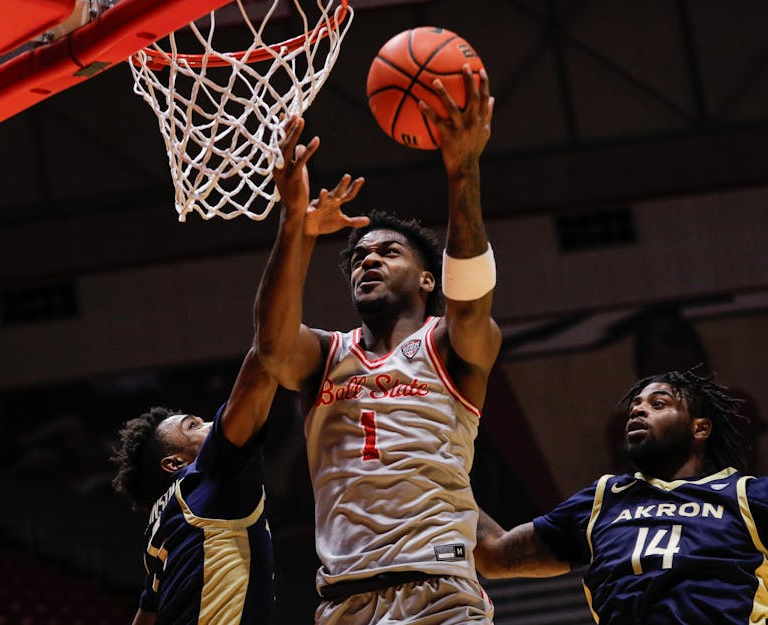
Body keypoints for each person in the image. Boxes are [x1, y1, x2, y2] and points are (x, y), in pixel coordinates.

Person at [254, 65, 500, 624]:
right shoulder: (325, 356)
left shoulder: (450, 345)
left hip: (439, 590)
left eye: (389, 252)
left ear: (427, 279)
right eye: (361, 255)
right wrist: (294, 220)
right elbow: (270, 346)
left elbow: (472, 299)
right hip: (345, 602)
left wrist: (463, 171)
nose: (369, 258)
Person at [475, 369, 768, 624]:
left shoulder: (749, 495)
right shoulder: (602, 499)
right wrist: (439, 474)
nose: (638, 411)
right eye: (635, 406)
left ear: (699, 429)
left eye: (658, 403)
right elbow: (494, 555)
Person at [110, 347, 278, 625]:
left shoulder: (161, 523)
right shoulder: (207, 478)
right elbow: (254, 378)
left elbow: (147, 613)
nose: (210, 425)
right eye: (192, 426)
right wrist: (276, 338)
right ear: (175, 463)